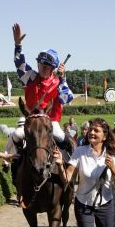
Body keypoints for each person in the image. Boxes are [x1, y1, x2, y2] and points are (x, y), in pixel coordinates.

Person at [12, 23, 74, 152]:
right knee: (17, 135)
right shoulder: (30, 77)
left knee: (59, 135)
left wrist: (62, 78)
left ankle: (71, 162)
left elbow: (66, 98)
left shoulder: (58, 82)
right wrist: (18, 45)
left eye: (47, 66)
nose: (43, 68)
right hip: (30, 118)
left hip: (51, 121)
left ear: (53, 68)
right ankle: (14, 161)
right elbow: (20, 64)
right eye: (41, 64)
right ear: (38, 64)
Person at [2, 116, 26, 189]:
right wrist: (5, 159)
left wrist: (5, 159)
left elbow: (7, 148)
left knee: (17, 179)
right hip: (20, 160)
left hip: (20, 160)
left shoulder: (13, 134)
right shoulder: (14, 134)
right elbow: (7, 148)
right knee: (16, 180)